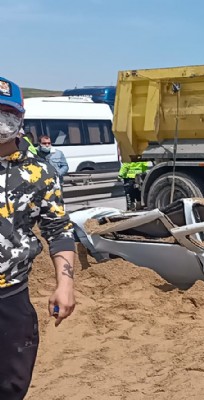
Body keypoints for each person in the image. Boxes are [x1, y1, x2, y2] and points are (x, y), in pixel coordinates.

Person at [0, 76, 76, 399]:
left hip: (11, 299)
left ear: (20, 119)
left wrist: (65, 284)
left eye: (6, 117)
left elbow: (58, 231)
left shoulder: (40, 174)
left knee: (11, 386)